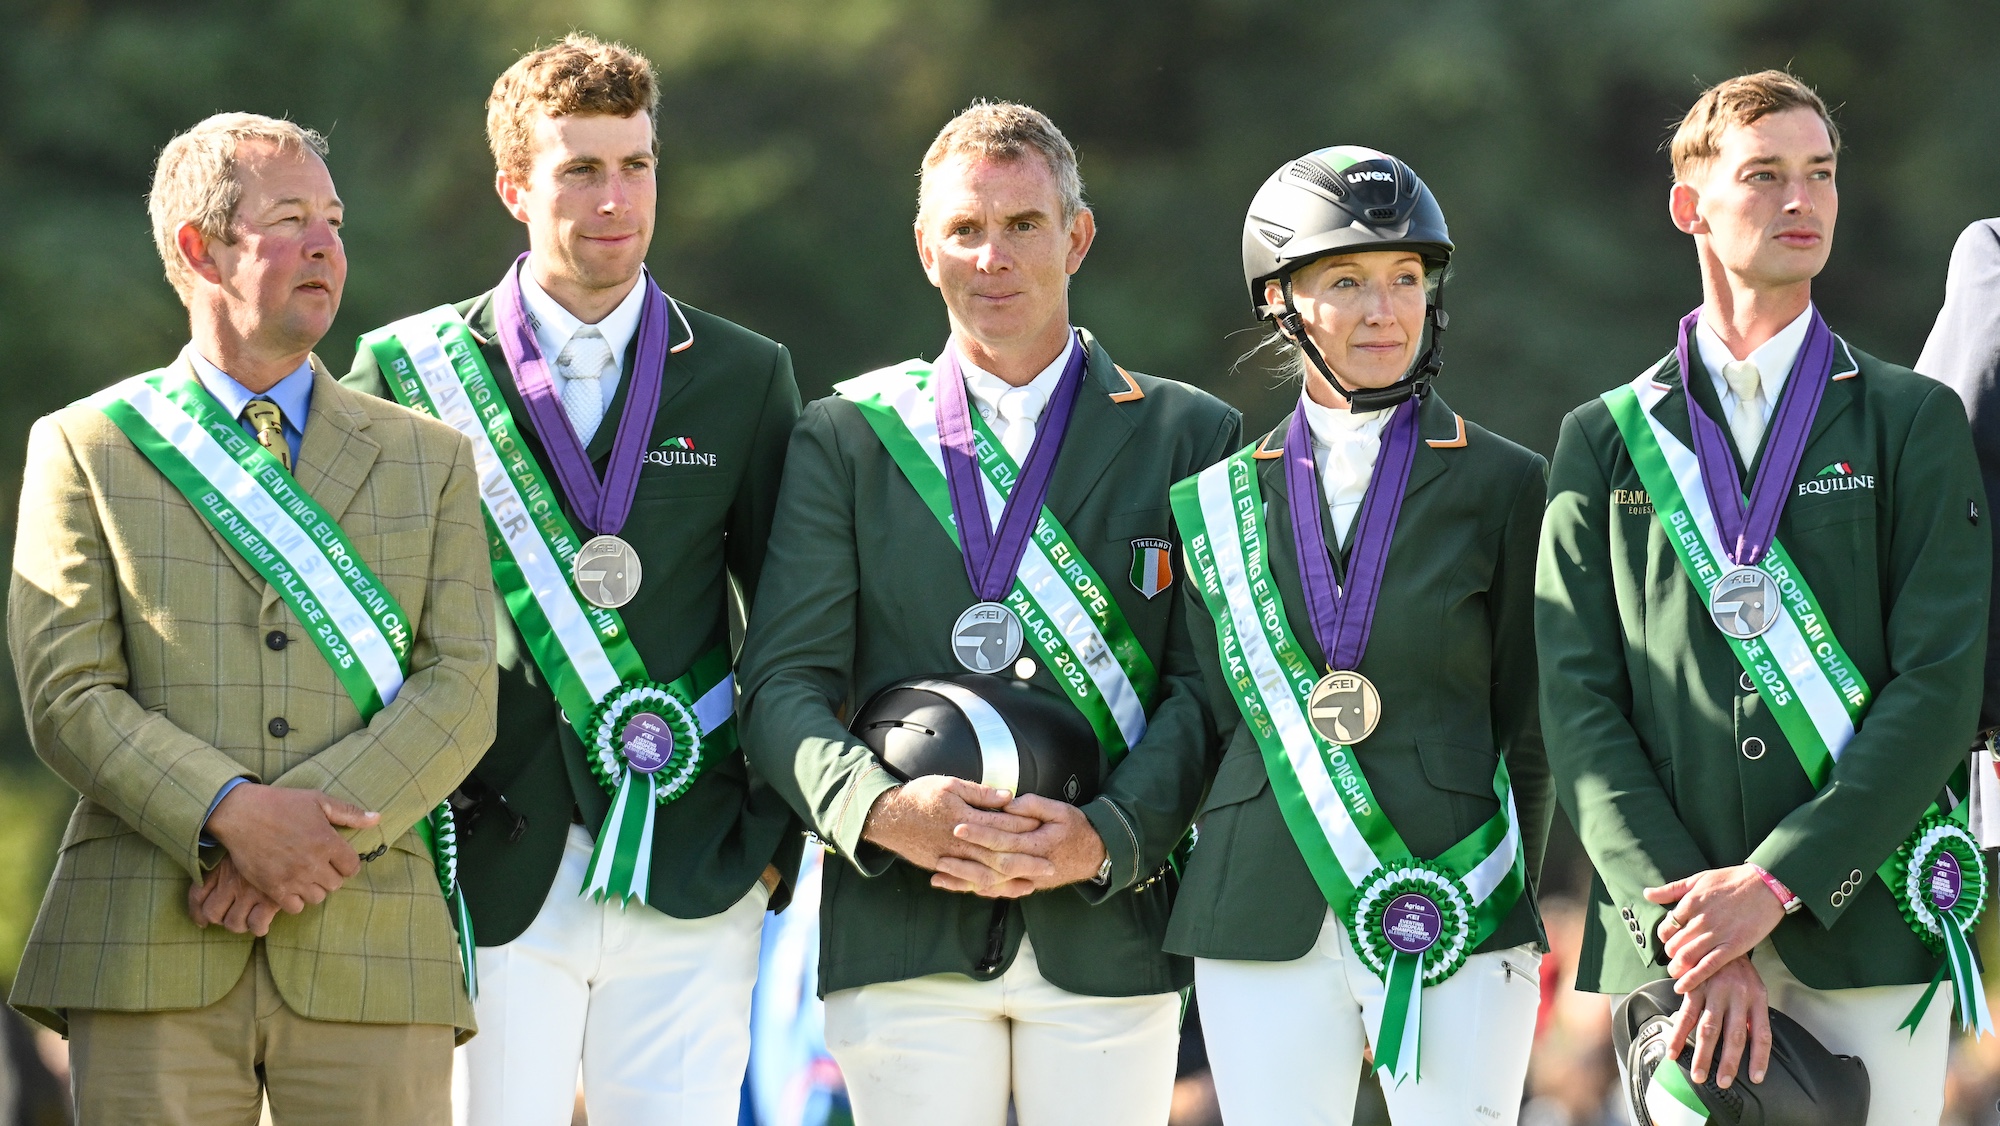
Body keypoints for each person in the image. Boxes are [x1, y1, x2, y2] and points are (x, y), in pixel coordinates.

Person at [735, 100, 1240, 1126]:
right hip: (899, 925)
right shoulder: (847, 436)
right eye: (964, 229)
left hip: (1109, 930)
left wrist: (1103, 837)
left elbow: (1209, 688)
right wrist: (881, 812)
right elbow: (782, 686)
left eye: (1021, 225)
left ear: (1076, 236)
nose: (992, 256)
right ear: (926, 249)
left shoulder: (1189, 433)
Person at [342, 34, 802, 1126]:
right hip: (482, 856)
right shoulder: (404, 373)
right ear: (513, 187)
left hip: (695, 859)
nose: (615, 197)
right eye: (578, 169)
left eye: (635, 164)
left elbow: (793, 624)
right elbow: (352, 632)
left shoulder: (744, 373)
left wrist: (771, 847)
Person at [7, 112, 497, 1124]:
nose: (327, 245)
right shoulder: (84, 444)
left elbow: (460, 691)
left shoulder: (432, 456)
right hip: (147, 940)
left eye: (335, 219)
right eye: (290, 219)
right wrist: (233, 814)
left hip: (371, 943)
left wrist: (302, 839)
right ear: (200, 247)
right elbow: (67, 695)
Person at [1537, 70, 1990, 1125]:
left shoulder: (1911, 421)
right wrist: (1698, 930)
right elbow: (1578, 706)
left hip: (1867, 926)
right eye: (1765, 175)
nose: (1801, 201)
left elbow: (1934, 684)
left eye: (1819, 173)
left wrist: (1771, 887)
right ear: (1688, 206)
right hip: (1675, 941)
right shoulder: (1599, 441)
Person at [1166, 146, 1552, 1124]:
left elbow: (1533, 726)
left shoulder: (1506, 484)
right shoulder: (1208, 501)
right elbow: (1199, 717)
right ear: (1279, 301)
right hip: (1258, 902)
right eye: (1345, 281)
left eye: (1404, 279)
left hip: (1454, 895)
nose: (1383, 311)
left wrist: (1503, 894)